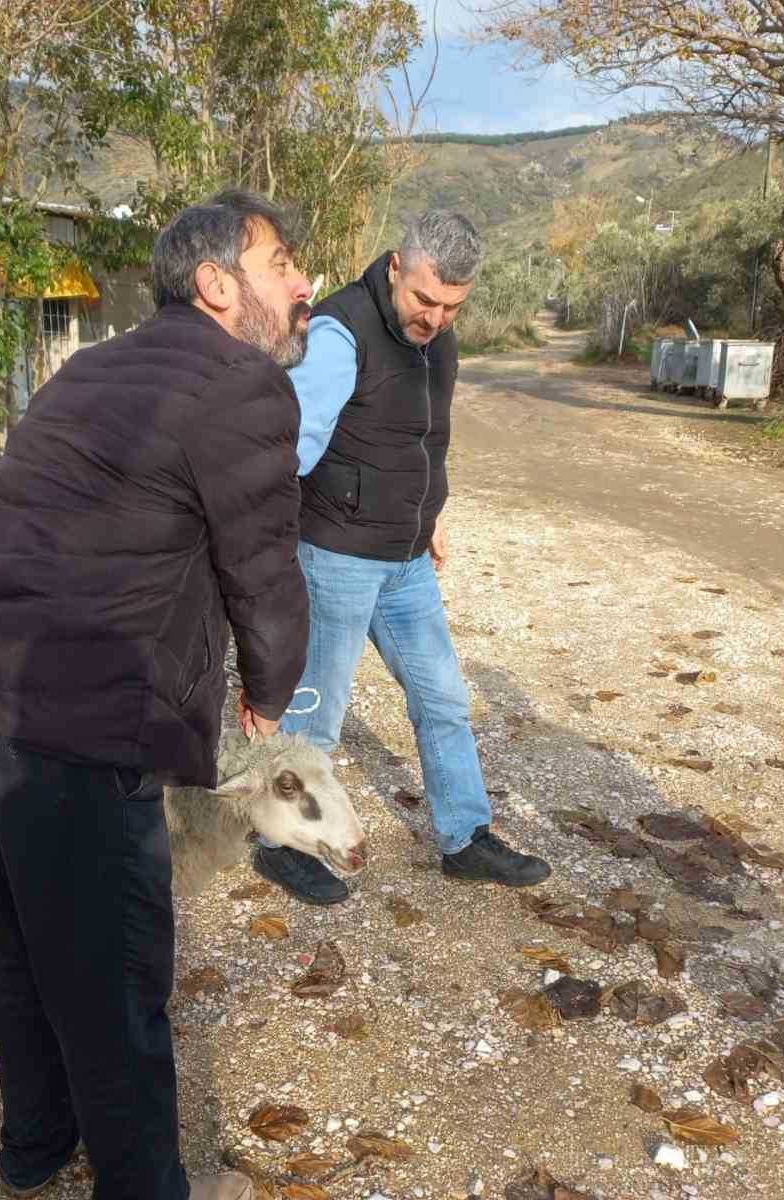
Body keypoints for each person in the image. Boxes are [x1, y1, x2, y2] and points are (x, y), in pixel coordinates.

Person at [0, 190, 314, 1200]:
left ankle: (33, 1150)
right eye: (282, 266)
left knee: (33, 950)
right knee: (117, 988)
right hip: (65, 735)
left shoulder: (91, 365)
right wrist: (269, 689)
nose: (304, 286)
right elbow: (261, 567)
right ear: (218, 286)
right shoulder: (241, 384)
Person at [253, 210, 554, 906]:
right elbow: (289, 450)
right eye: (424, 299)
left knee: (443, 698)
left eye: (452, 306)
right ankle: (281, 844)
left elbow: (421, 439)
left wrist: (432, 512)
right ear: (395, 266)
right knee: (316, 715)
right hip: (335, 556)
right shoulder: (337, 333)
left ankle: (463, 839)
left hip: (406, 557)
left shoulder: (438, 341)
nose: (435, 318)